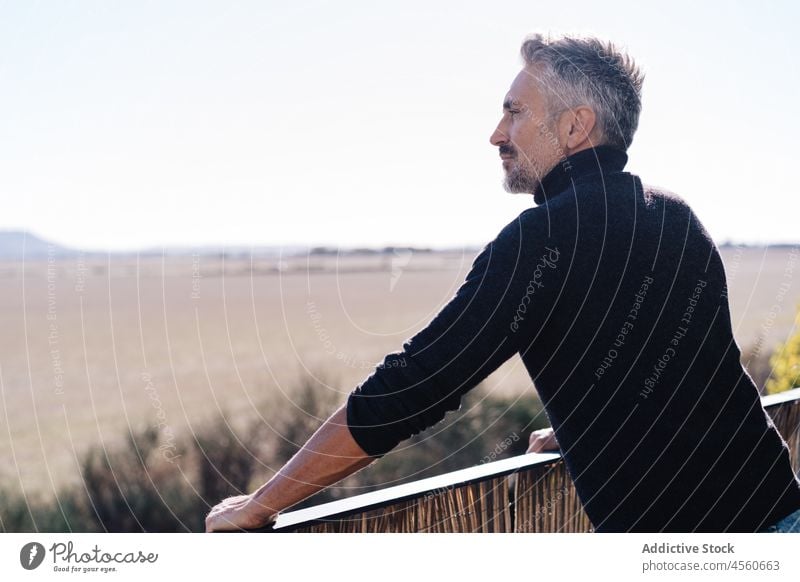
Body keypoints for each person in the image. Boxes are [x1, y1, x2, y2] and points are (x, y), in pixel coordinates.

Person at [205, 33, 800, 533]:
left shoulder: (539, 242)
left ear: (574, 127)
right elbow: (677, 374)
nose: (497, 133)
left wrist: (262, 504)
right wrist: (586, 432)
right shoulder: (674, 214)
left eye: (515, 111)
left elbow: (412, 388)